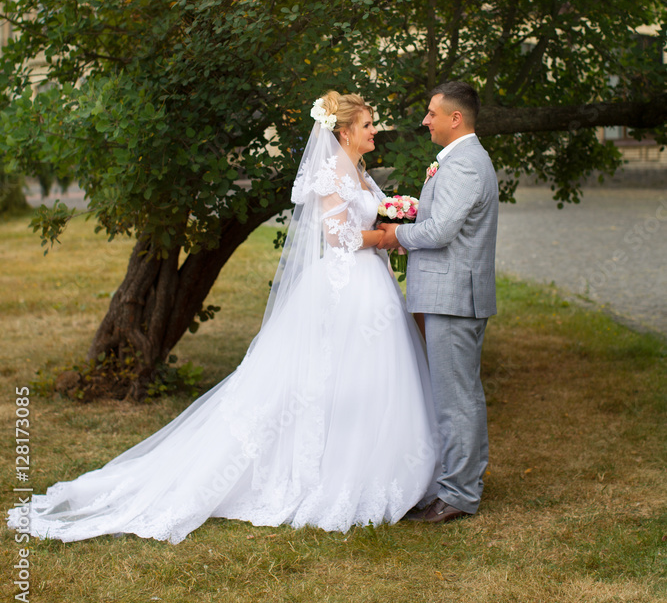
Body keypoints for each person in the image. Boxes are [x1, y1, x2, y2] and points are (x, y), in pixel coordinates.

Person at [7, 92, 439, 543]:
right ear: (346, 130)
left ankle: (370, 465)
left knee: (367, 379)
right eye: (369, 125)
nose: (375, 131)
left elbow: (365, 219)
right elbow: (338, 236)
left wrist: (395, 219)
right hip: (346, 284)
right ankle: (324, 474)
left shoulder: (360, 171)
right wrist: (387, 238)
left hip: (369, 284)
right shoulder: (331, 171)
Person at [378, 81, 498, 524]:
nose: (425, 120)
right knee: (454, 395)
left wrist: (397, 235)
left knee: (458, 398)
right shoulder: (459, 160)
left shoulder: (465, 164)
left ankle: (460, 495)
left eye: (431, 113)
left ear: (455, 119)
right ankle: (454, 484)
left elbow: (443, 230)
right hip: (447, 295)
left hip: (454, 298)